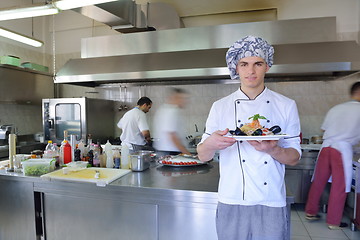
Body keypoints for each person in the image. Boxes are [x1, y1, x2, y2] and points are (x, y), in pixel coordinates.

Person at [197, 36, 301, 240]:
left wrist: (273, 150)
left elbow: (295, 157)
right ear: (236, 67)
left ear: (267, 66)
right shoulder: (220, 107)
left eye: (258, 64)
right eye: (244, 64)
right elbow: (202, 156)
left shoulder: (286, 105)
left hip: (271, 200)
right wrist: (210, 144)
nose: (251, 71)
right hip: (231, 198)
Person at [305, 81, 360, 230]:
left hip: (326, 147)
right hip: (341, 150)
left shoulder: (336, 108)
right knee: (339, 186)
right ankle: (333, 221)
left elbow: (324, 129)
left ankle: (310, 212)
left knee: (318, 181)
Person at [153, 88, 192, 156]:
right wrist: (187, 154)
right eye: (182, 98)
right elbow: (172, 136)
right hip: (170, 152)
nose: (185, 101)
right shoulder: (172, 111)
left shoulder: (163, 109)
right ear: (174, 97)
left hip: (165, 151)